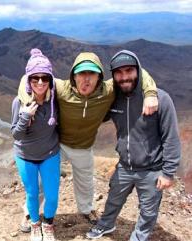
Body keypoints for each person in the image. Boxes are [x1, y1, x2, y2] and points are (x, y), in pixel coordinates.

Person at [18, 52, 159, 225]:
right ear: (73, 76)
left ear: (99, 76)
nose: (86, 79)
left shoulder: (108, 91)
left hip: (84, 147)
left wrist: (151, 93)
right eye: (81, 74)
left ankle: (86, 210)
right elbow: (28, 76)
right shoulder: (61, 88)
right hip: (57, 146)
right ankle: (29, 212)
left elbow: (138, 72)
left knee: (85, 183)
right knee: (41, 183)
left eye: (91, 74)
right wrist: (26, 104)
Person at [86, 50, 181, 241]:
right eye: (119, 73)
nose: (124, 77)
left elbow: (171, 138)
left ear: (138, 70)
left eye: (129, 70)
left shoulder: (160, 99)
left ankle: (138, 238)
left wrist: (168, 173)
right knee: (113, 200)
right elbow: (97, 114)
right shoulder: (115, 98)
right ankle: (106, 225)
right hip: (124, 166)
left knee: (148, 211)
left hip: (151, 169)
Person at [11, 48, 60, 241]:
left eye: (45, 77)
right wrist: (25, 116)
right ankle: (35, 224)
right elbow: (16, 133)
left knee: (52, 195)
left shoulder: (55, 100)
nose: (40, 82)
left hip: (50, 154)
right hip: (26, 156)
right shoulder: (19, 102)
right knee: (32, 194)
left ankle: (48, 224)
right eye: (35, 78)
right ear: (29, 80)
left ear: (50, 79)